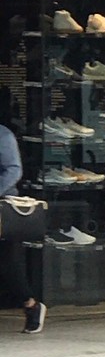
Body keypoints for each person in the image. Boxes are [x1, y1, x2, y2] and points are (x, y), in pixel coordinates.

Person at [0, 123, 45, 333]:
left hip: (2, 207)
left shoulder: (3, 134)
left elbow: (14, 170)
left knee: (9, 265)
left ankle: (31, 305)